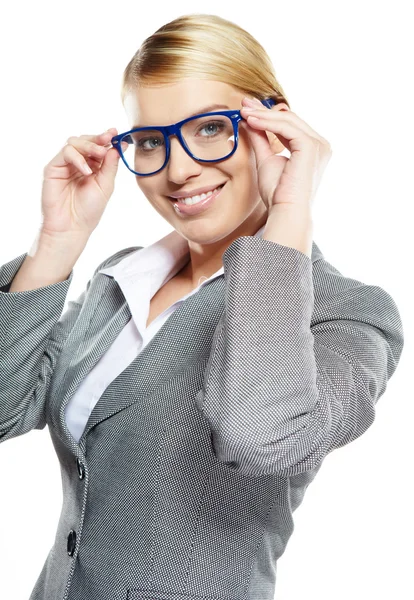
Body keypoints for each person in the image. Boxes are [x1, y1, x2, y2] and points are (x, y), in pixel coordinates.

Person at [0, 12, 404, 600]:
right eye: (150, 141)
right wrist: (56, 244)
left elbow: (263, 436)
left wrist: (290, 212)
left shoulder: (346, 311)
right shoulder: (120, 280)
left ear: (274, 125)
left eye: (211, 128)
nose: (180, 168)